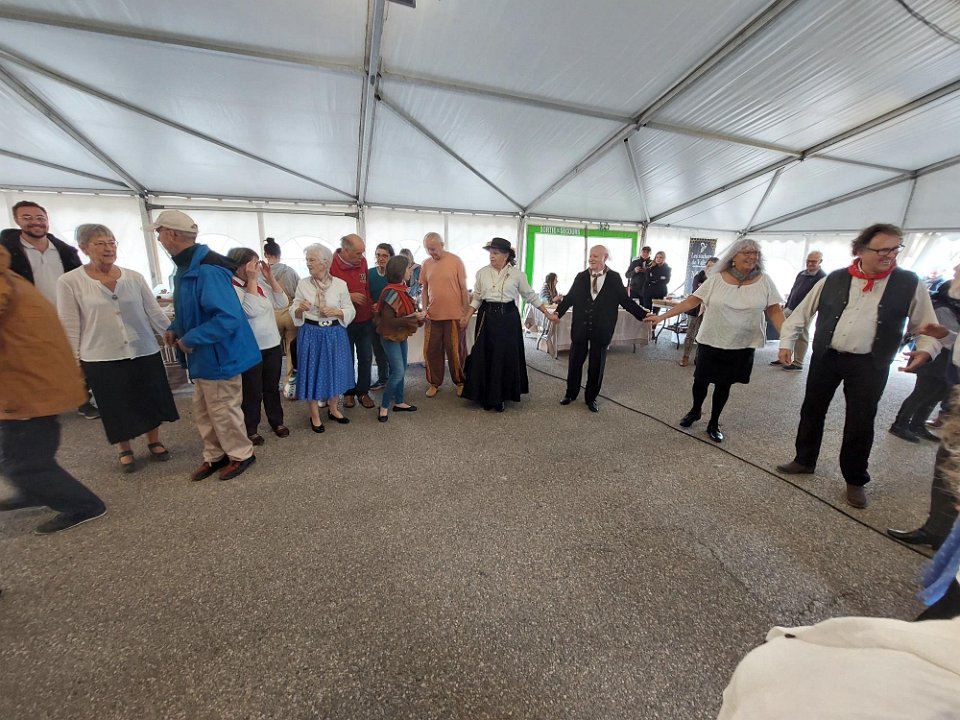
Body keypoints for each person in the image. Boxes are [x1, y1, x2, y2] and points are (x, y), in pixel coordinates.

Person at [775, 223, 938, 509]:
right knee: (812, 409)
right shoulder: (835, 278)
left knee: (860, 420)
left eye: (895, 249)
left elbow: (926, 325)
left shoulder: (909, 283)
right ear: (860, 250)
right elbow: (802, 313)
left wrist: (925, 349)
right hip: (827, 356)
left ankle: (855, 478)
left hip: (870, 363)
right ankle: (804, 459)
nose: (890, 255)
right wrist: (786, 342)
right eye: (882, 250)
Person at [0, 245, 107, 535]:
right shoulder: (8, 275)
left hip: (26, 384)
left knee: (23, 460)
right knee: (14, 452)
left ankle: (83, 505)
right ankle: (35, 491)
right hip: (27, 380)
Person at [57, 224, 179, 473]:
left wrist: (173, 335)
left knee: (150, 397)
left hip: (143, 349)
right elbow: (69, 325)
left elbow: (153, 311)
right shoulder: (70, 281)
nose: (108, 248)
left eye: (112, 242)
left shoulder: (133, 277)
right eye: (100, 243)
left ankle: (154, 441)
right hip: (101, 354)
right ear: (84, 247)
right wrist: (74, 361)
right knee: (115, 404)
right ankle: (124, 447)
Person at [153, 210, 261, 482]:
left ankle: (241, 453)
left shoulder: (207, 270)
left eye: (159, 233)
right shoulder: (189, 267)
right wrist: (175, 327)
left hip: (219, 356)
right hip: (205, 356)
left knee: (223, 409)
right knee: (204, 409)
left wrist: (190, 338)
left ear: (170, 234)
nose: (159, 239)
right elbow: (191, 309)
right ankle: (215, 454)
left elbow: (227, 318)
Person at [646, 238, 784, 443]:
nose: (751, 256)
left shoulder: (764, 281)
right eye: (746, 252)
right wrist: (662, 317)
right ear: (733, 257)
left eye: (755, 253)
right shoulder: (717, 279)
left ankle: (714, 422)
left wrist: (786, 341)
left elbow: (774, 311)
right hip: (712, 339)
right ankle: (695, 410)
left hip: (741, 344)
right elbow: (692, 301)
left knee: (724, 384)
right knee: (701, 380)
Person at [0, 200, 98, 419]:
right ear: (16, 220)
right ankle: (33, 405)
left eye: (40, 218)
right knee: (32, 361)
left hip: (68, 313)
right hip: (29, 320)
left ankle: (83, 400)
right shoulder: (9, 253)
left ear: (47, 221)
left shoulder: (65, 251)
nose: (35, 222)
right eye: (27, 218)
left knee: (75, 357)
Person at [888, 262, 960, 550]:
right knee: (948, 463)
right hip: (954, 382)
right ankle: (937, 529)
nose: (956, 267)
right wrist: (946, 336)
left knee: (951, 463)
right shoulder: (945, 301)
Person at [460, 237, 559, 412]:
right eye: (490, 253)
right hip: (487, 316)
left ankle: (500, 397)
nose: (491, 256)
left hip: (508, 318)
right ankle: (484, 395)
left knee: (503, 355)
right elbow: (477, 297)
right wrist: (467, 316)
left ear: (506, 255)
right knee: (485, 354)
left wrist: (547, 313)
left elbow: (530, 296)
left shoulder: (517, 275)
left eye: (495, 253)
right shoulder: (482, 273)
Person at [555, 245, 648, 412]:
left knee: (597, 365)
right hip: (580, 327)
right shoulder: (581, 277)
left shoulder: (614, 278)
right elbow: (569, 298)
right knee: (575, 362)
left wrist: (644, 315)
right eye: (590, 255)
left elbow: (625, 301)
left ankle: (591, 398)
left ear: (605, 257)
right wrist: (557, 313)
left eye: (595, 256)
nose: (591, 258)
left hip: (602, 328)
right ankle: (570, 393)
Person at [226, 247, 290, 445]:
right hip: (251, 348)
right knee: (252, 390)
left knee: (272, 387)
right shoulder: (232, 288)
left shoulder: (259, 283)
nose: (256, 268)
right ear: (240, 266)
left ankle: (276, 421)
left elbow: (282, 302)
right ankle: (251, 428)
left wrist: (269, 277)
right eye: (252, 264)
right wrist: (253, 280)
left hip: (272, 344)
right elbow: (251, 311)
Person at [290, 244, 355, 433]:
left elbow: (350, 309)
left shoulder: (340, 284)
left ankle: (334, 409)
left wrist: (337, 312)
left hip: (335, 333)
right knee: (312, 372)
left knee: (336, 370)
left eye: (311, 260)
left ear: (325, 263)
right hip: (311, 333)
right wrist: (299, 309)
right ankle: (315, 416)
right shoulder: (303, 284)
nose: (308, 264)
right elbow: (294, 307)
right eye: (307, 260)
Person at [889, 279, 959, 443]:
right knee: (922, 392)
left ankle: (918, 424)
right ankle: (900, 424)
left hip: (947, 360)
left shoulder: (955, 309)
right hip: (933, 357)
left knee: (938, 393)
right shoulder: (942, 308)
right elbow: (948, 336)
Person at [374, 255, 426, 422]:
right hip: (390, 336)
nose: (410, 271)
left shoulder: (401, 289)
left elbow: (404, 314)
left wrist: (416, 316)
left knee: (401, 368)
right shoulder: (391, 292)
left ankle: (399, 402)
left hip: (399, 334)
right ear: (401, 271)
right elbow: (388, 321)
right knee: (398, 371)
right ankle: (383, 406)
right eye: (408, 268)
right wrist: (413, 317)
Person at [420, 232, 469, 398]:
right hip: (433, 317)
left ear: (442, 245)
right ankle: (434, 383)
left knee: (456, 351)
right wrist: (424, 310)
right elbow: (424, 290)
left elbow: (464, 289)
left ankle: (460, 381)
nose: (431, 252)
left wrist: (465, 313)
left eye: (433, 249)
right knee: (431, 350)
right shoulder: (426, 264)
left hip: (454, 316)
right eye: (428, 249)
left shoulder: (456, 261)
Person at [330, 234, 376, 410]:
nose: (361, 257)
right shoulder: (331, 264)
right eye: (358, 253)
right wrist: (349, 296)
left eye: (362, 253)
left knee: (365, 357)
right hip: (344, 322)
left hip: (364, 319)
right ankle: (348, 392)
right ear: (345, 251)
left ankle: (363, 391)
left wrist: (371, 307)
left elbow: (366, 287)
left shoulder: (362, 261)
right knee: (346, 358)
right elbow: (326, 294)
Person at [770, 250, 825, 371]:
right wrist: (787, 304)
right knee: (785, 331)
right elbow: (794, 290)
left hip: (806, 311)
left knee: (801, 335)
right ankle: (784, 357)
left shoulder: (822, 277)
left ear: (820, 261)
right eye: (808, 261)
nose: (810, 264)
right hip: (791, 307)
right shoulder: (802, 274)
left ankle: (798, 362)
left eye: (813, 261)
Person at [262, 238, 300, 391]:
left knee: (273, 352)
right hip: (289, 312)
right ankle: (290, 385)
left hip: (270, 315)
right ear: (279, 254)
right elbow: (298, 292)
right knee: (291, 351)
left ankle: (272, 384)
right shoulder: (289, 271)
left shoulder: (260, 273)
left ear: (266, 254)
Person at [679, 256, 718, 367]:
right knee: (690, 334)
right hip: (696, 309)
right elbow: (698, 291)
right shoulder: (698, 276)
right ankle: (685, 357)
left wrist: (705, 288)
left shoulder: (719, 279)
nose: (709, 269)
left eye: (713, 267)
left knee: (702, 335)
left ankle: (698, 358)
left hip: (710, 310)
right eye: (708, 266)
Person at [368, 243, 394, 391]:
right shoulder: (370, 273)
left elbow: (397, 294)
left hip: (390, 319)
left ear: (390, 257)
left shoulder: (394, 275)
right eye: (378, 255)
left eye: (385, 255)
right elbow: (366, 293)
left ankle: (394, 379)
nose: (381, 258)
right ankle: (383, 378)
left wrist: (382, 305)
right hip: (374, 318)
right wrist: (371, 305)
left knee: (391, 350)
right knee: (378, 350)